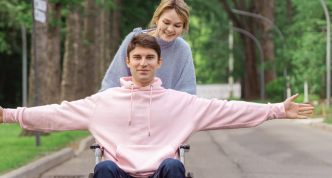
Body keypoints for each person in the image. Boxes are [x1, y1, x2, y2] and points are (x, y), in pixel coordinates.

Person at [0, 34, 314, 178]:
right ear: (128, 62)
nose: (143, 63)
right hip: (119, 172)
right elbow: (57, 113)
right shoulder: (103, 102)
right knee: (104, 168)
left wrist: (275, 110)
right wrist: (7, 114)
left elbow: (227, 109)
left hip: (163, 172)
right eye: (137, 57)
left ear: (159, 63)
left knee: (175, 165)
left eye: (150, 58)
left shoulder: (182, 103)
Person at [100, 0, 196, 95]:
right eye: (166, 23)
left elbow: (188, 93)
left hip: (166, 108)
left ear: (183, 27)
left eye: (177, 25)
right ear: (157, 19)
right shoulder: (134, 39)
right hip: (131, 105)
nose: (170, 29)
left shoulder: (183, 49)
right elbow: (111, 83)